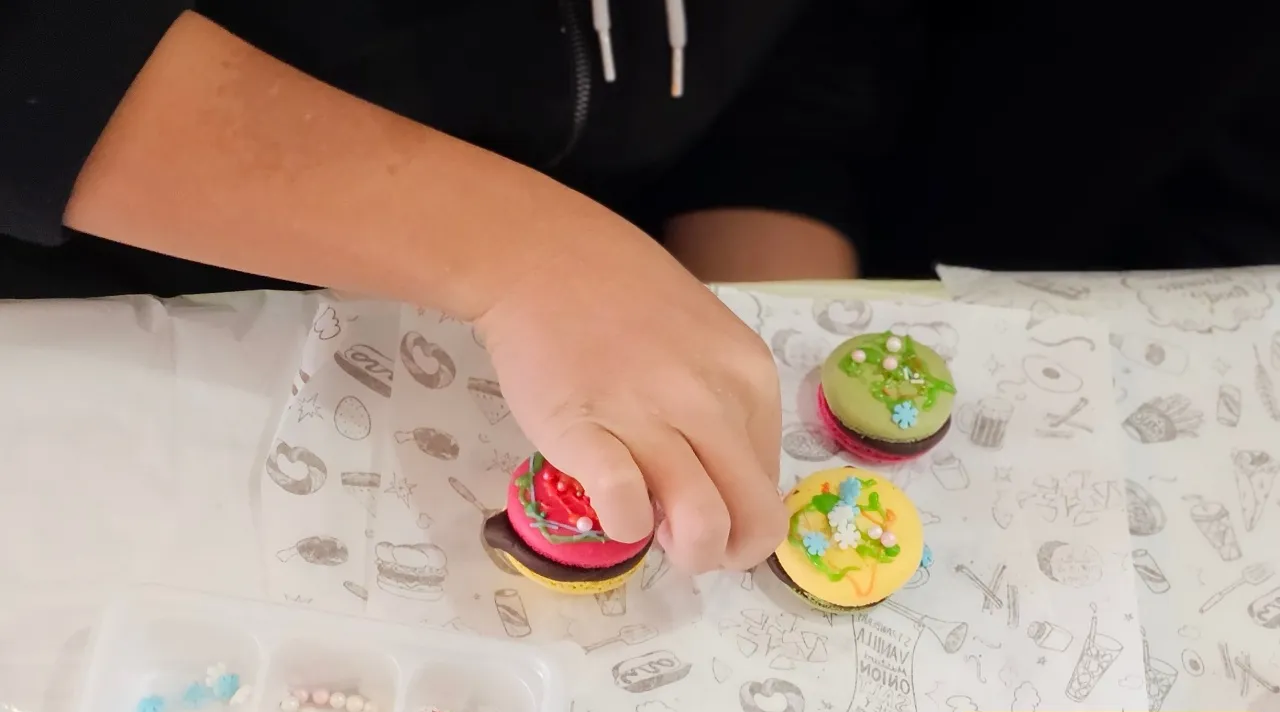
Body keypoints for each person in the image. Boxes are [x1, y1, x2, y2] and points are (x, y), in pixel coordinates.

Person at [1, 1, 895, 574]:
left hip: (561, 344)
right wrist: (531, 254)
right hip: (116, 371)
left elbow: (788, 99)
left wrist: (753, 337)